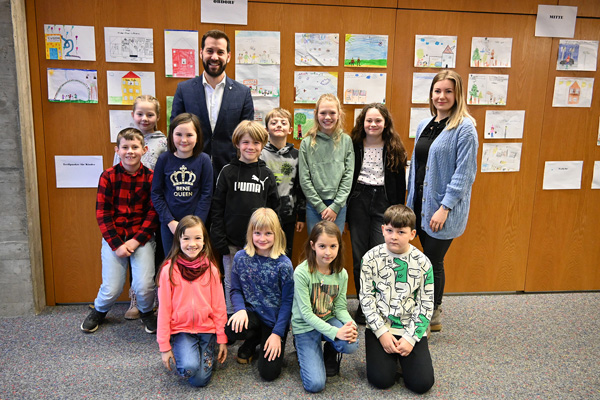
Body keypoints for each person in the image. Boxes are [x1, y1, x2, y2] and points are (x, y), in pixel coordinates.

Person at [406, 70, 478, 332]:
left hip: (442, 209)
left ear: (458, 95)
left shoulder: (465, 128)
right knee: (428, 261)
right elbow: (418, 165)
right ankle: (431, 310)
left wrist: (445, 208)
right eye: (438, 91)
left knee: (432, 262)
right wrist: (410, 202)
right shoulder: (424, 124)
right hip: (421, 204)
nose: (442, 96)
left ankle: (430, 314)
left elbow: (464, 174)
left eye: (448, 91)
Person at [81, 128, 158, 334]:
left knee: (144, 285)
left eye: (135, 147)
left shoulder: (151, 178)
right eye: (125, 147)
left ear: (144, 150)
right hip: (114, 239)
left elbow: (153, 213)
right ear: (117, 150)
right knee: (112, 288)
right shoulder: (108, 176)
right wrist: (117, 245)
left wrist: (135, 241)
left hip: (141, 238)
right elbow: (102, 214)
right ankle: (99, 310)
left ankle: (147, 312)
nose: (130, 151)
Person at [359, 204, 434, 394]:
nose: (394, 236)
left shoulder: (423, 263)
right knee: (381, 380)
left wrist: (411, 338)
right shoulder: (370, 258)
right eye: (390, 230)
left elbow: (426, 304)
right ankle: (392, 360)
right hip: (381, 326)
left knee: (422, 384)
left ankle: (403, 359)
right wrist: (381, 332)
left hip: (410, 326)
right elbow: (366, 299)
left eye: (401, 232)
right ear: (383, 229)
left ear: (412, 234)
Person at [211, 121, 280, 315]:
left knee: (257, 281)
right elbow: (217, 207)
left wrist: (271, 239)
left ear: (262, 145)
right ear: (237, 143)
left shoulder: (266, 174)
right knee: (231, 281)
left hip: (259, 242)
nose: (251, 147)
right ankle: (232, 317)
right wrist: (219, 239)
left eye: (256, 143)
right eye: (246, 142)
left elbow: (274, 209)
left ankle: (255, 319)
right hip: (231, 242)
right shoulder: (227, 172)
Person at [348, 103, 407, 324]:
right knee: (359, 257)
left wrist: (398, 211)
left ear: (385, 123)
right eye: (369, 120)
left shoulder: (394, 147)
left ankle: (379, 303)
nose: (373, 124)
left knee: (380, 255)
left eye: (378, 120)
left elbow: (399, 184)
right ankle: (364, 304)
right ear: (362, 123)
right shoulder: (353, 145)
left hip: (384, 202)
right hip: (358, 200)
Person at [170, 29, 254, 177]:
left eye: (220, 52)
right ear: (201, 53)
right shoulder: (184, 89)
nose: (214, 57)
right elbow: (174, 131)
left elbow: (248, 135)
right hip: (191, 171)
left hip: (231, 172)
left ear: (228, 56)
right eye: (209, 51)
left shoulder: (243, 93)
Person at [113, 95, 167, 321]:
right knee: (132, 254)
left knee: (156, 256)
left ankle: (156, 300)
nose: (145, 118)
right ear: (133, 115)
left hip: (154, 205)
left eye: (150, 114)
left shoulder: (164, 142)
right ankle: (135, 300)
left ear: (158, 117)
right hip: (130, 210)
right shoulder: (124, 139)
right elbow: (115, 173)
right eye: (140, 114)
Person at [156, 215, 227, 387]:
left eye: (197, 238)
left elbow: (219, 307)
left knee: (199, 380)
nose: (192, 244)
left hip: (206, 330)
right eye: (186, 238)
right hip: (182, 330)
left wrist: (222, 337)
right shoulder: (168, 270)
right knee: (188, 369)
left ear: (204, 241)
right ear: (178, 240)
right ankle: (186, 350)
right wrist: (164, 346)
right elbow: (164, 310)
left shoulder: (211, 269)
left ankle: (207, 347)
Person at [226, 208, 294, 381]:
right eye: (257, 233)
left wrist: (277, 333)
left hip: (274, 321)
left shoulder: (284, 264)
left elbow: (287, 303)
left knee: (269, 373)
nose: (262, 238)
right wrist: (240, 309)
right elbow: (235, 289)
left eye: (268, 233)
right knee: (231, 329)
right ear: (251, 233)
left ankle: (264, 338)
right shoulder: (241, 258)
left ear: (277, 234)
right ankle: (253, 339)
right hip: (252, 315)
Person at [291, 221, 358, 393]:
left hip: (327, 318)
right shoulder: (301, 272)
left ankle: (330, 349)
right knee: (315, 385)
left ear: (339, 246)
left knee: (351, 344)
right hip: (305, 326)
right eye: (322, 246)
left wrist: (350, 325)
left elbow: (340, 308)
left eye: (333, 246)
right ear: (313, 245)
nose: (328, 252)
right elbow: (306, 314)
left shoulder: (341, 274)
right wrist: (336, 332)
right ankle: (302, 346)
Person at [151, 113, 213, 256]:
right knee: (171, 262)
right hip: (170, 226)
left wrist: (196, 224)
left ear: (197, 136)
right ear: (171, 135)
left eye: (189, 135)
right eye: (179, 134)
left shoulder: (204, 160)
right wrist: (170, 221)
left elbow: (207, 194)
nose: (184, 140)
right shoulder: (164, 159)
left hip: (196, 226)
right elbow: (156, 194)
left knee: (195, 263)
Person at [299, 94, 354, 234]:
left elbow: (348, 176)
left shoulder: (346, 141)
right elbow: (304, 179)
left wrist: (336, 206)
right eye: (323, 113)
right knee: (316, 243)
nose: (327, 117)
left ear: (339, 114)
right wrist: (320, 206)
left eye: (332, 113)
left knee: (334, 242)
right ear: (316, 114)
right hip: (314, 205)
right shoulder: (306, 143)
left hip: (338, 206)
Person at [260, 108, 306, 257]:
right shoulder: (259, 154)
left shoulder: (297, 155)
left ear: (290, 129)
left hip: (288, 214)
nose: (279, 125)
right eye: (274, 122)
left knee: (285, 253)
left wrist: (301, 215)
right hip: (264, 214)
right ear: (266, 129)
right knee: (265, 252)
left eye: (283, 123)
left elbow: (300, 186)